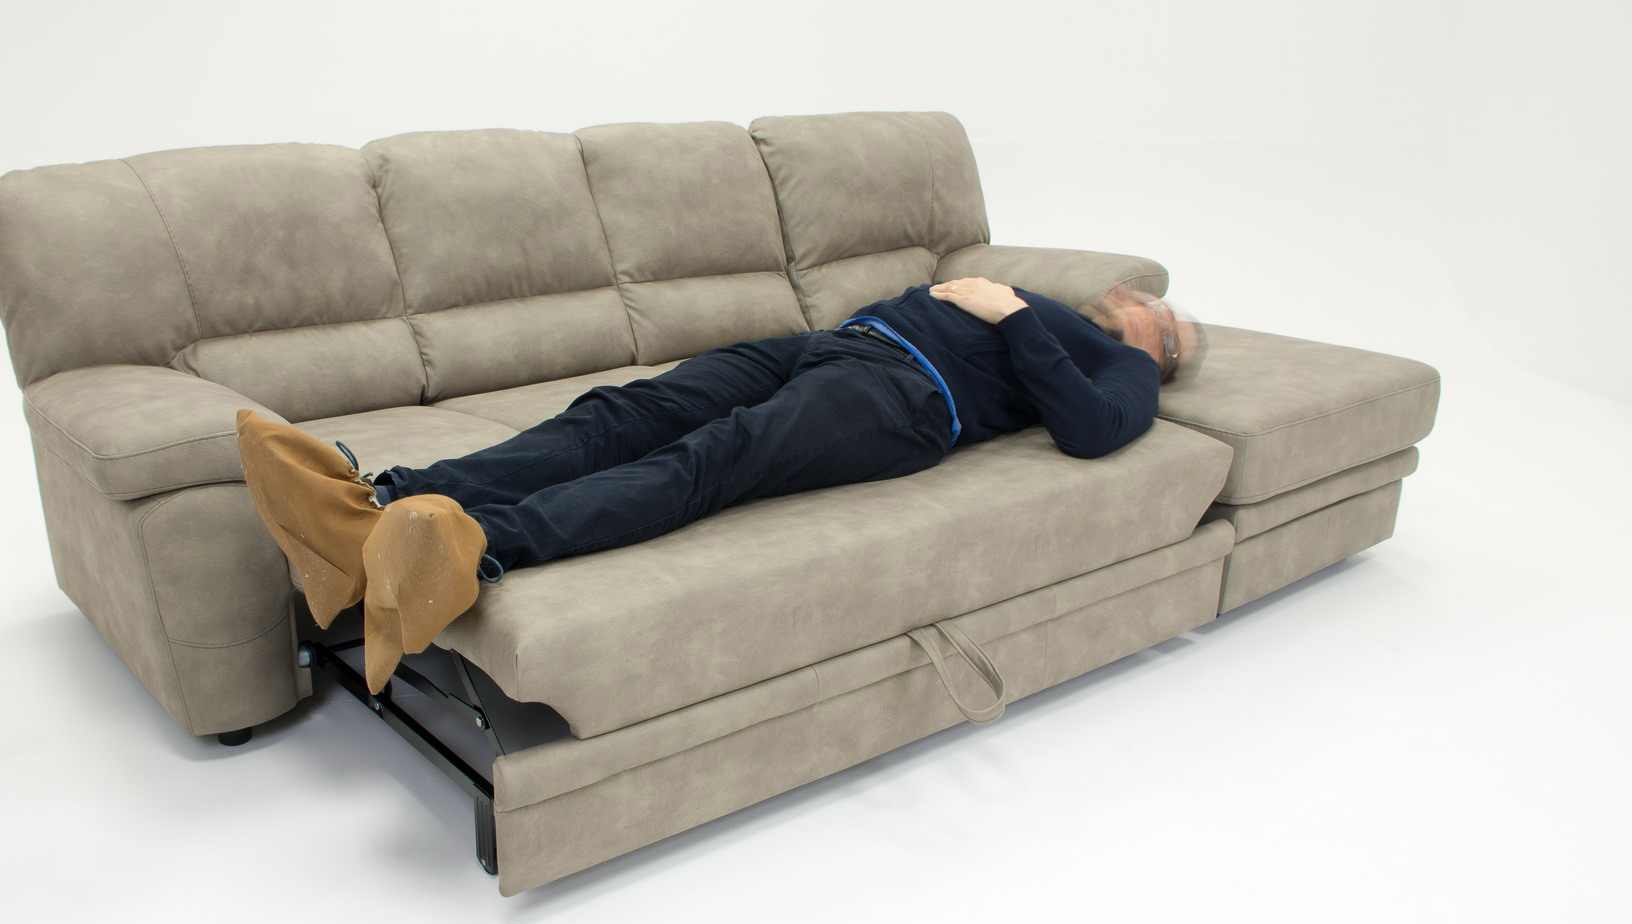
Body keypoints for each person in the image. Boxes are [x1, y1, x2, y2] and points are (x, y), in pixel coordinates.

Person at [235, 277, 1199, 688]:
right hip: (832, 345)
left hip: (906, 397)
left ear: (1161, 344)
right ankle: (375, 506)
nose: (1140, 296)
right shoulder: (1064, 308)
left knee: (711, 458)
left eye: (1161, 310)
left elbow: (1092, 431)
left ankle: (463, 551)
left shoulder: (1124, 367)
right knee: (619, 413)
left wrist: (1010, 311)